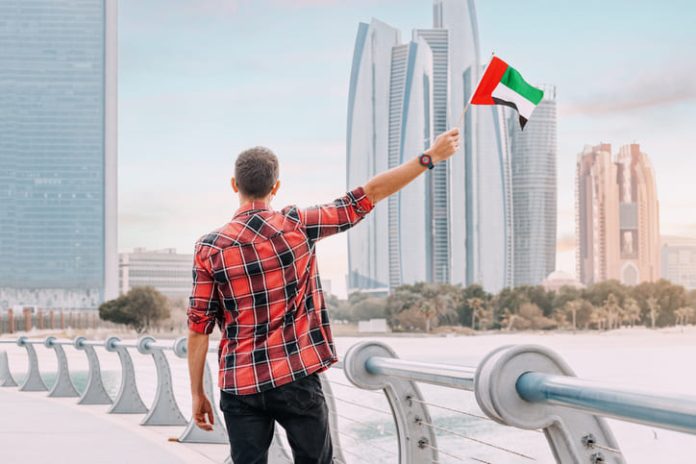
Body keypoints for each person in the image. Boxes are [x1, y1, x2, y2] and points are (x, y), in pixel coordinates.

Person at [187, 127, 460, 464]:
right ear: (276, 187)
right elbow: (368, 194)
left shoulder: (209, 248)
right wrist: (429, 157)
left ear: (234, 185)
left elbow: (199, 329)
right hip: (296, 376)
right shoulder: (298, 225)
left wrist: (198, 393)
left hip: (239, 383)